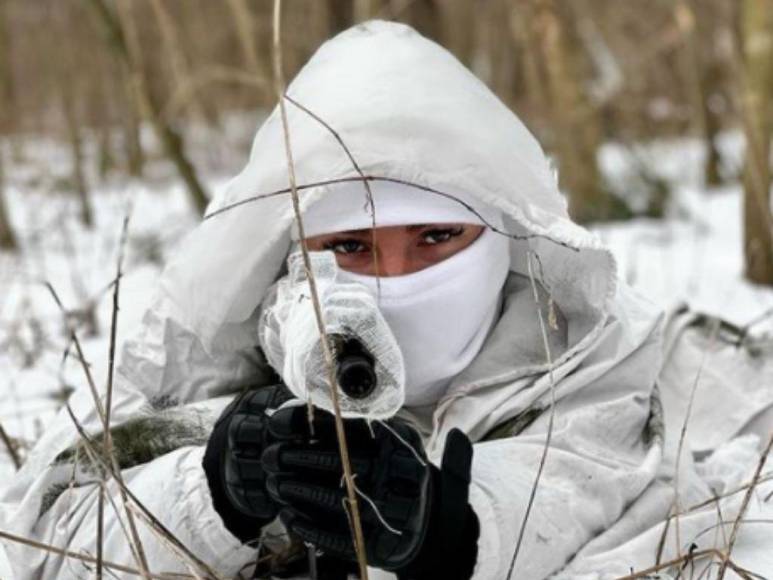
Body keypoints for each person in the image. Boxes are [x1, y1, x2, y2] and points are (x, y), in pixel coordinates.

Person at [1, 20, 770, 580]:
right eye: (350, 248)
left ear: (502, 237)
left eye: (436, 238)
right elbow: (39, 537)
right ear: (289, 257)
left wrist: (452, 533)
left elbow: (608, 489)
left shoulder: (590, 353)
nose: (396, 277)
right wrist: (211, 496)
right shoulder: (208, 366)